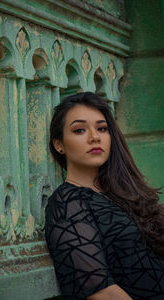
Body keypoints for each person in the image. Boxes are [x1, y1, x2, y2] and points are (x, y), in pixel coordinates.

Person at [45, 92, 164, 300]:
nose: (95, 137)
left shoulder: (126, 195)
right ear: (59, 144)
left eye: (102, 128)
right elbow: (99, 290)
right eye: (80, 130)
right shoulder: (67, 203)